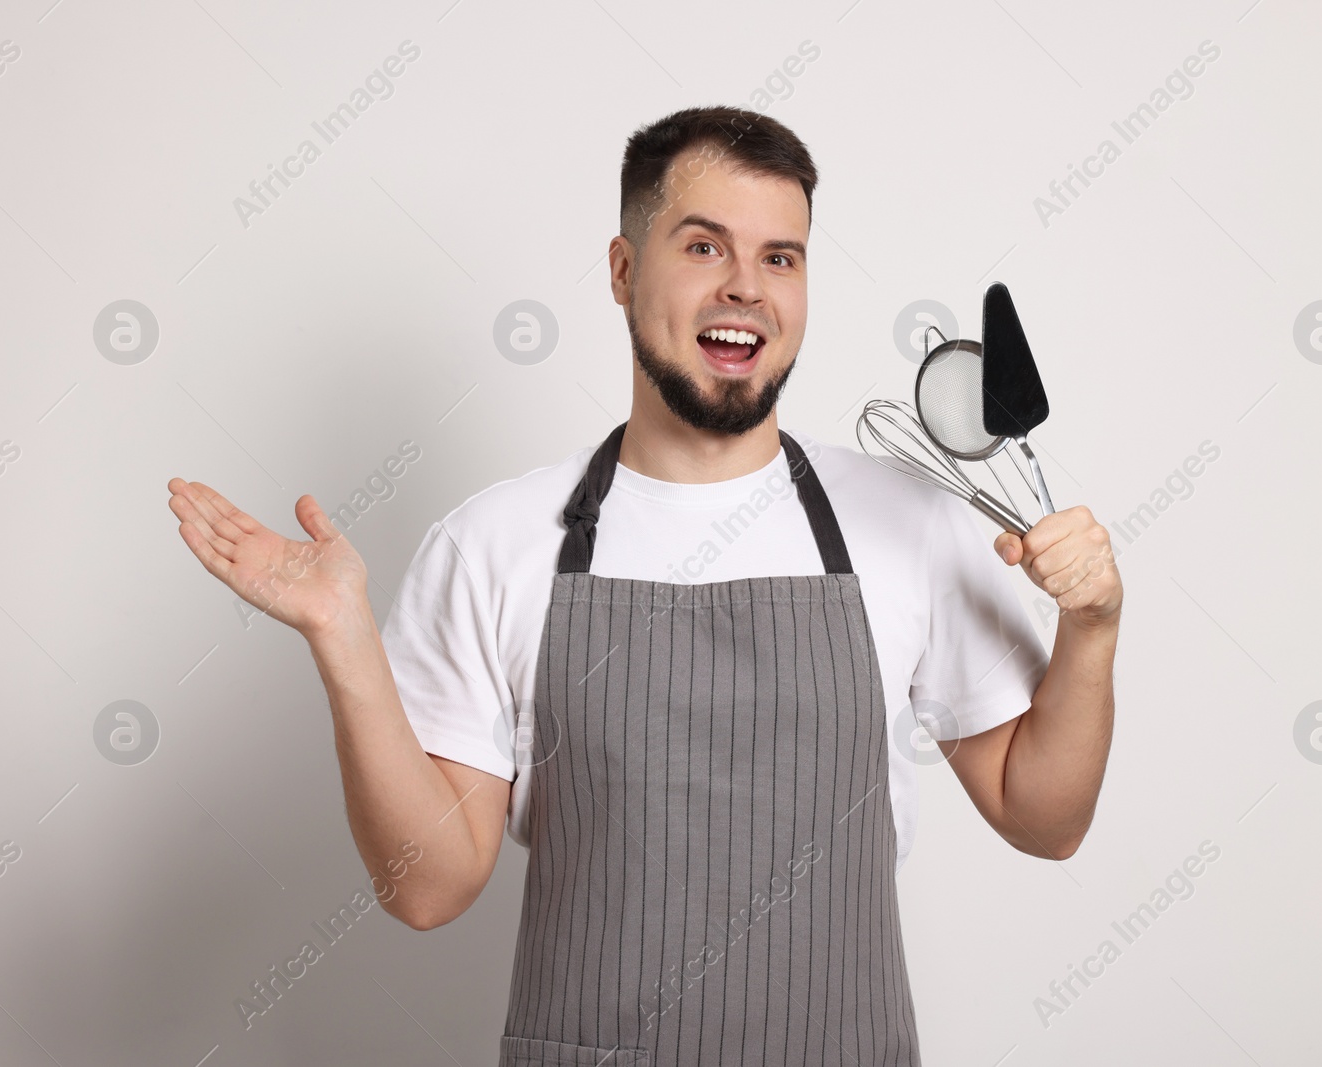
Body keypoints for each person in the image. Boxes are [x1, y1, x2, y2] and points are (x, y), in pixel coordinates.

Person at [167, 105, 1121, 1067]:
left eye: (780, 258)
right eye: (704, 246)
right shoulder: (494, 544)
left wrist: (1092, 627)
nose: (745, 287)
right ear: (624, 272)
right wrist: (344, 639)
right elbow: (429, 886)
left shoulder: (908, 522)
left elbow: (1045, 818)